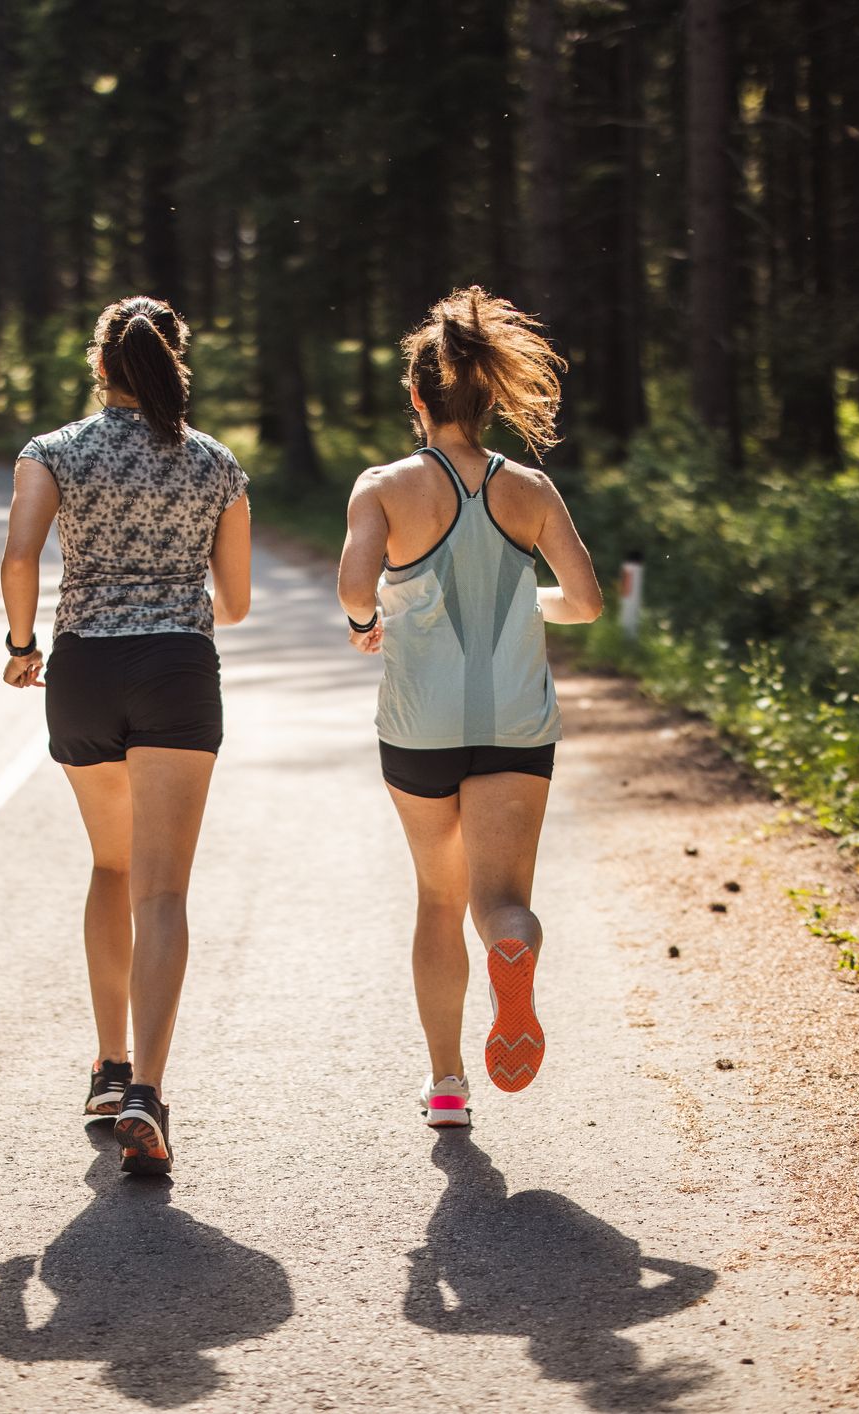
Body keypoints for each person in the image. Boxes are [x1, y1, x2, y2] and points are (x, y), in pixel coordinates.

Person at [336, 287, 603, 1129]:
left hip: (420, 728)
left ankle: (448, 1086)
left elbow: (352, 583)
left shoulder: (383, 487)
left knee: (436, 898)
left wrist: (367, 620)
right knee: (498, 900)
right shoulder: (530, 488)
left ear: (417, 397)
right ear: (488, 396)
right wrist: (527, 603)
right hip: (515, 726)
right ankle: (513, 947)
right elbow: (586, 601)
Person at [0, 295, 251, 1175]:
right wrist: (176, 609)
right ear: (174, 364)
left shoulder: (55, 452)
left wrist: (24, 644)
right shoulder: (216, 464)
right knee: (163, 892)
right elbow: (238, 601)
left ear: (99, 365)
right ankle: (148, 1088)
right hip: (178, 672)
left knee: (110, 866)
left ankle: (108, 1070)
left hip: (83, 674)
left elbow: (21, 557)